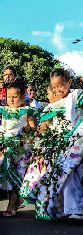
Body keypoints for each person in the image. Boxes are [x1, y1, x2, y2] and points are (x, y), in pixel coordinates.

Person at [20, 68, 83, 220]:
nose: (57, 90)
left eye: (60, 85)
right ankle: (61, 209)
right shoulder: (50, 106)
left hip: (73, 142)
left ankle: (75, 210)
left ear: (69, 82)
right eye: (54, 87)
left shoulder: (77, 95)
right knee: (57, 176)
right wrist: (35, 135)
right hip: (54, 146)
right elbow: (44, 126)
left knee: (68, 173)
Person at [0, 79, 37, 217]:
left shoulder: (26, 111)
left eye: (15, 97)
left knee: (15, 177)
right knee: (7, 176)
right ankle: (17, 200)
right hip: (4, 148)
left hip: (20, 150)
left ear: (22, 97)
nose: (11, 99)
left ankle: (11, 205)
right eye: (9, 96)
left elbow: (34, 129)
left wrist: (28, 130)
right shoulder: (3, 110)